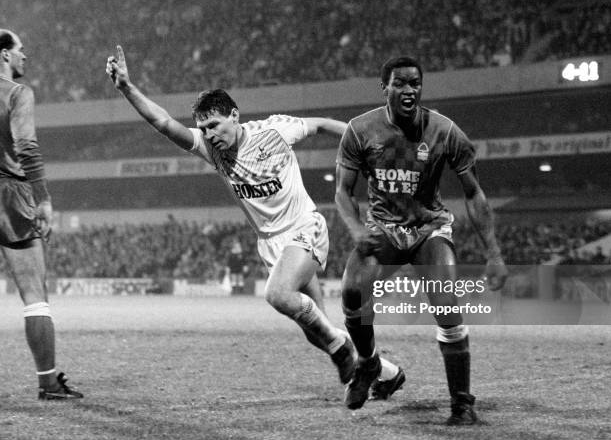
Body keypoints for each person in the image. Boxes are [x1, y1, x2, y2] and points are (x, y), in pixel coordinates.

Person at [105, 45, 402, 391]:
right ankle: (387, 374)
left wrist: (365, 140)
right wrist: (127, 87)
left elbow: (319, 124)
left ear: (235, 115)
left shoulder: (274, 132)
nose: (210, 134)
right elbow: (162, 121)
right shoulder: (210, 151)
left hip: (304, 226)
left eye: (214, 124)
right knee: (315, 329)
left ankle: (342, 354)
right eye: (204, 128)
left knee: (278, 296)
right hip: (272, 245)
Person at [335, 56, 508, 424]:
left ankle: (462, 404)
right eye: (400, 83)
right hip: (383, 228)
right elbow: (342, 191)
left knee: (447, 307)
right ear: (385, 87)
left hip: (429, 228)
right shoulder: (360, 130)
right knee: (352, 293)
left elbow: (474, 194)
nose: (409, 90)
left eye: (415, 83)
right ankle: (367, 364)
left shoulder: (445, 131)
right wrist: (354, 229)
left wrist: (494, 253)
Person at [0, 29, 83, 400]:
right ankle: (48, 383)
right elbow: (26, 146)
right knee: (34, 293)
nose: (25, 57)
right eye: (20, 51)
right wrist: (44, 198)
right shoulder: (18, 94)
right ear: (4, 55)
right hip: (10, 193)